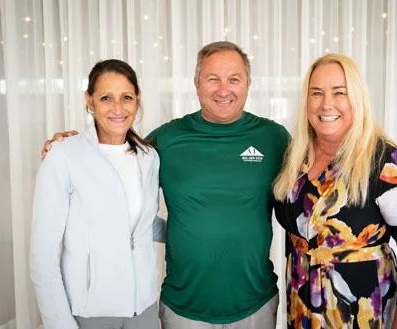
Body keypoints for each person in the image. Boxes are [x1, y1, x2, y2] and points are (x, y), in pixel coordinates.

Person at [40, 41, 289, 329]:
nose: (223, 90)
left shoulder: (275, 138)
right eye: (212, 79)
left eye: (234, 79)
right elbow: (114, 165)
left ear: (248, 83)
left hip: (255, 303)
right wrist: (70, 146)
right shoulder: (167, 140)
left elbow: (310, 188)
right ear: (196, 84)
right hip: (183, 307)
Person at [272, 53, 397, 329]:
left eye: (339, 92)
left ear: (356, 99)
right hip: (301, 308)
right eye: (317, 93)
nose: (326, 104)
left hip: (362, 314)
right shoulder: (296, 157)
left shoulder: (388, 163)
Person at [31, 59, 165, 329]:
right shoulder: (64, 156)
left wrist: (198, 233)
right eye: (106, 98)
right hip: (91, 311)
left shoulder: (148, 157)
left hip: (146, 308)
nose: (118, 108)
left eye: (126, 97)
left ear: (137, 100)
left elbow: (143, 224)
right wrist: (59, 324)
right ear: (89, 101)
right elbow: (42, 256)